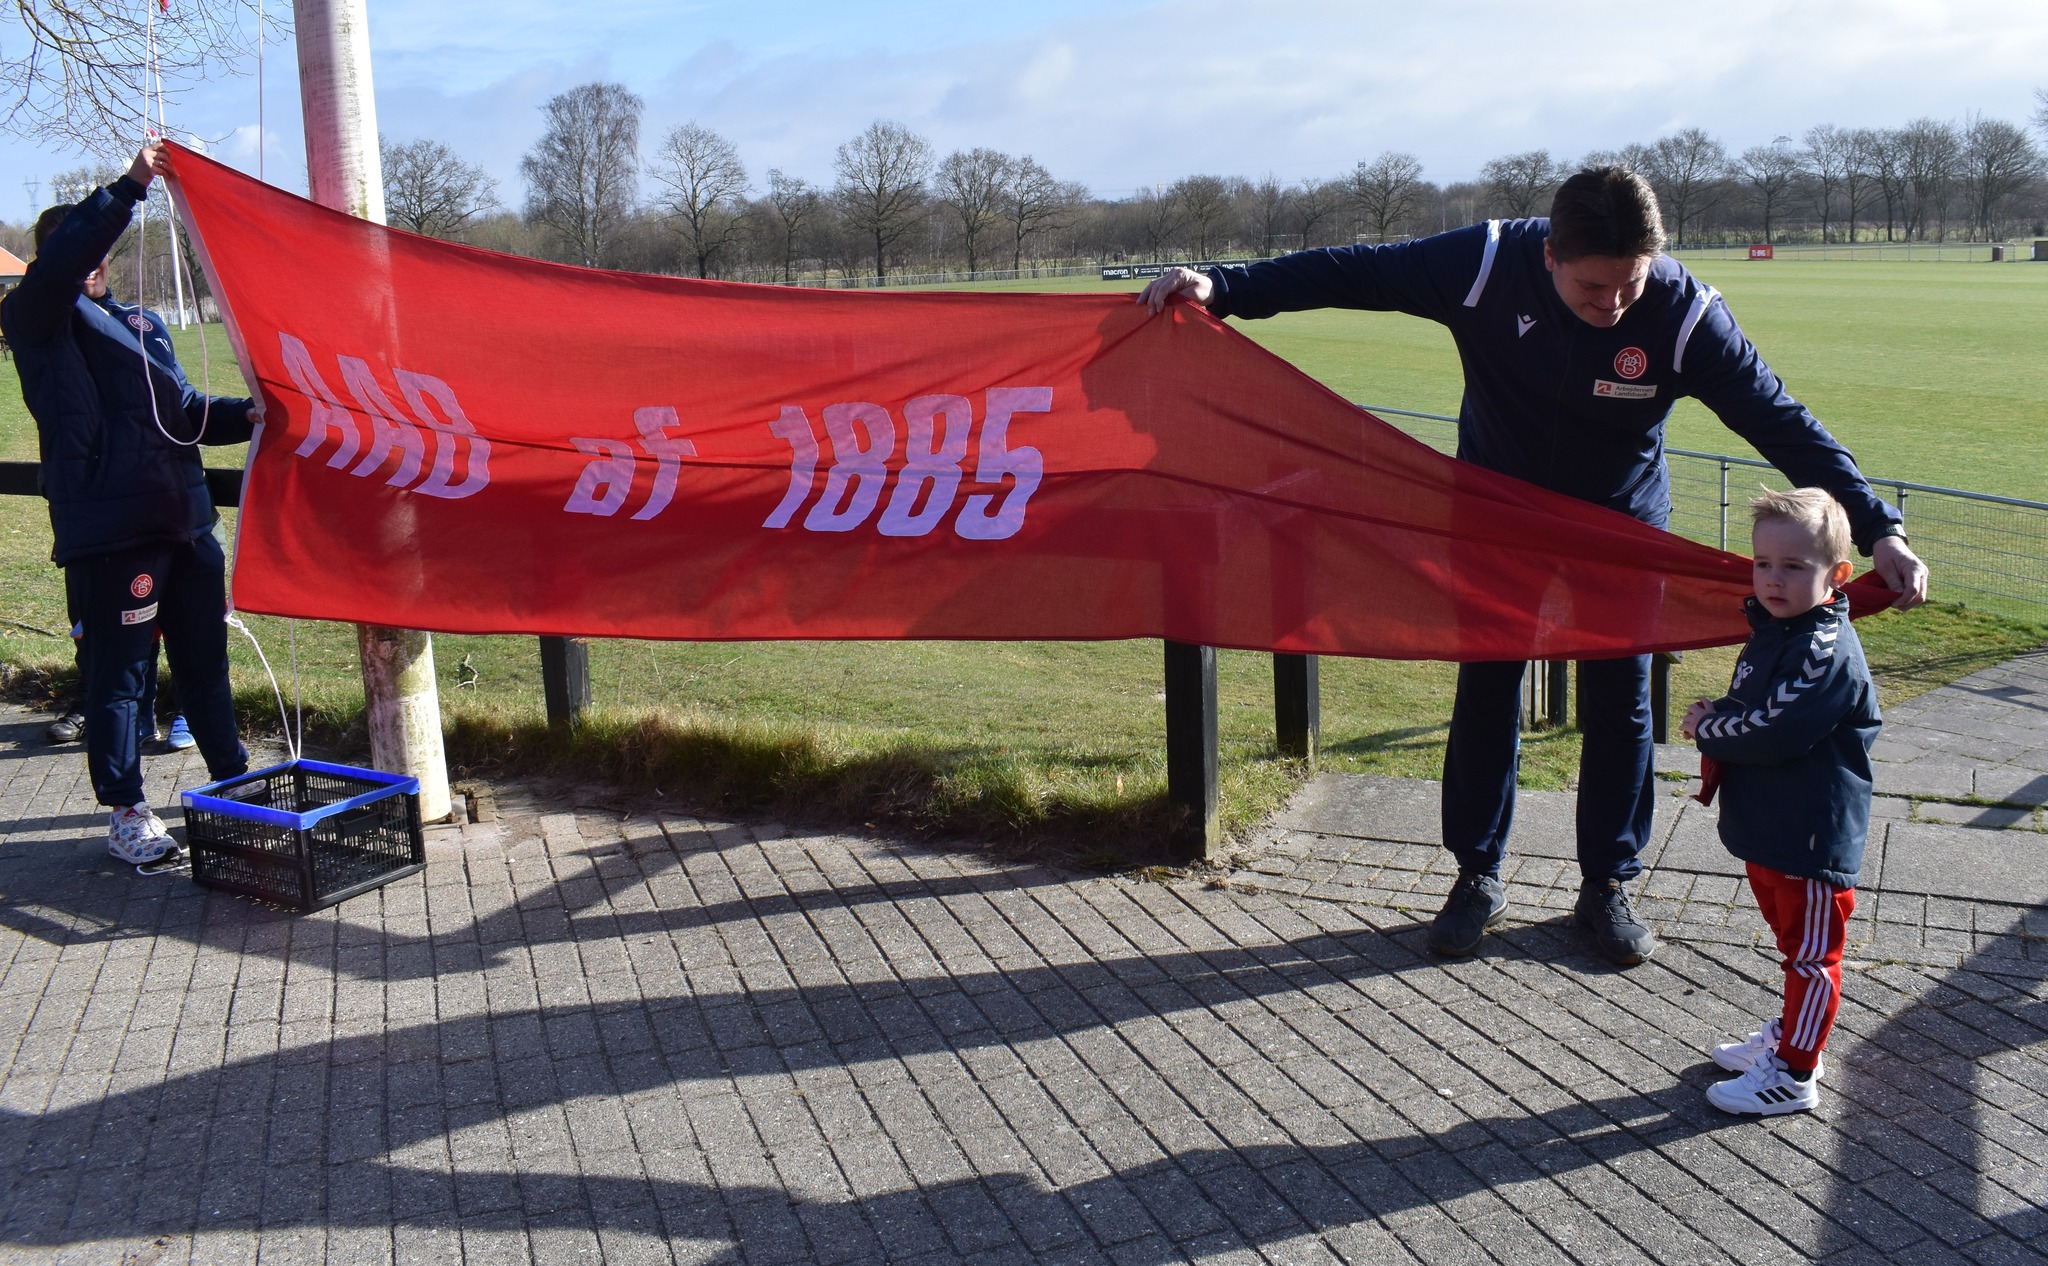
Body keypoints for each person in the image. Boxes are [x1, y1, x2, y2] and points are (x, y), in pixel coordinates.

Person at [1138, 166, 1926, 965]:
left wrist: (1879, 528)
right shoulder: (1484, 263)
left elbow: (1781, 420)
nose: (1613, 304)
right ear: (1550, 255)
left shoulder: (1686, 315)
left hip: (1617, 531)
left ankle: (1607, 885)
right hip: (1496, 522)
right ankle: (1476, 876)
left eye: (1630, 284)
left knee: (1621, 705)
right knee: (1488, 688)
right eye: (1593, 287)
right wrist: (1227, 286)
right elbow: (1359, 271)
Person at [0, 143, 256, 866]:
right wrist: (131, 186)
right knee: (118, 679)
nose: (92, 260)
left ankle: (234, 787)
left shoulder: (146, 325)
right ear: (52, 260)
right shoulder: (34, 321)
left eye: (98, 250)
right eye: (75, 248)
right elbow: (66, 260)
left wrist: (250, 415)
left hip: (187, 523)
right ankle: (126, 813)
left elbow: (184, 411)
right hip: (114, 533)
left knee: (205, 667)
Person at [1681, 487, 1877, 1115]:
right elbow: (1756, 703)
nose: (1773, 578)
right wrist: (1721, 710)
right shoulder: (1779, 629)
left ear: (1837, 575)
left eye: (1794, 566)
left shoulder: (1824, 648)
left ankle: (1794, 1073)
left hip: (1810, 834)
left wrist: (1708, 727)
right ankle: (1792, 1034)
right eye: (1763, 563)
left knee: (1812, 957)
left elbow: (1776, 727)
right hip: (1773, 824)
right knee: (1792, 945)